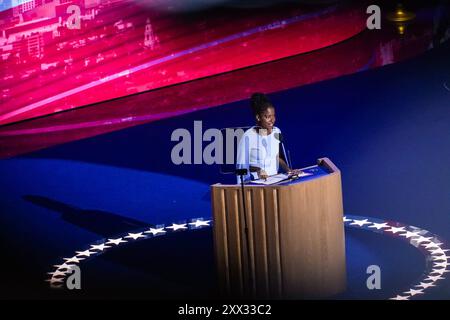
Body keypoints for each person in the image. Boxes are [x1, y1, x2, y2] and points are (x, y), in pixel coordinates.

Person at [236, 93, 300, 182]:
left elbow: (276, 156)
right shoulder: (248, 137)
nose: (272, 120)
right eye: (268, 117)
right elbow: (241, 167)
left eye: (273, 116)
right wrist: (258, 170)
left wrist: (288, 170)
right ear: (258, 117)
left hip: (275, 181)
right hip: (255, 183)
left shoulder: (277, 132)